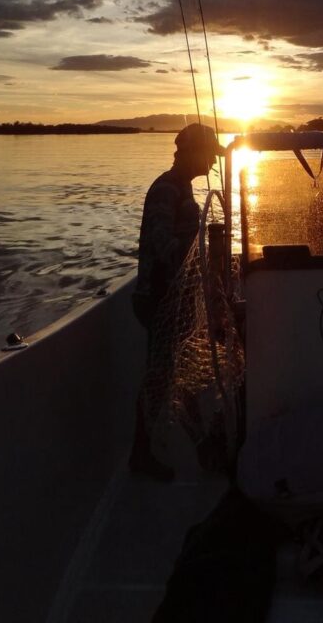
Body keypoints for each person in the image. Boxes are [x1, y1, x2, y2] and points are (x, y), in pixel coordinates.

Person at [129, 122, 226, 481]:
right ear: (190, 153)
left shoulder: (183, 189)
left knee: (178, 374)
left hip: (175, 299)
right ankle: (140, 456)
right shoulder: (167, 189)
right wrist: (193, 265)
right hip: (158, 300)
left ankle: (203, 447)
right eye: (209, 155)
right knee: (159, 379)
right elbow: (159, 241)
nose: (212, 163)